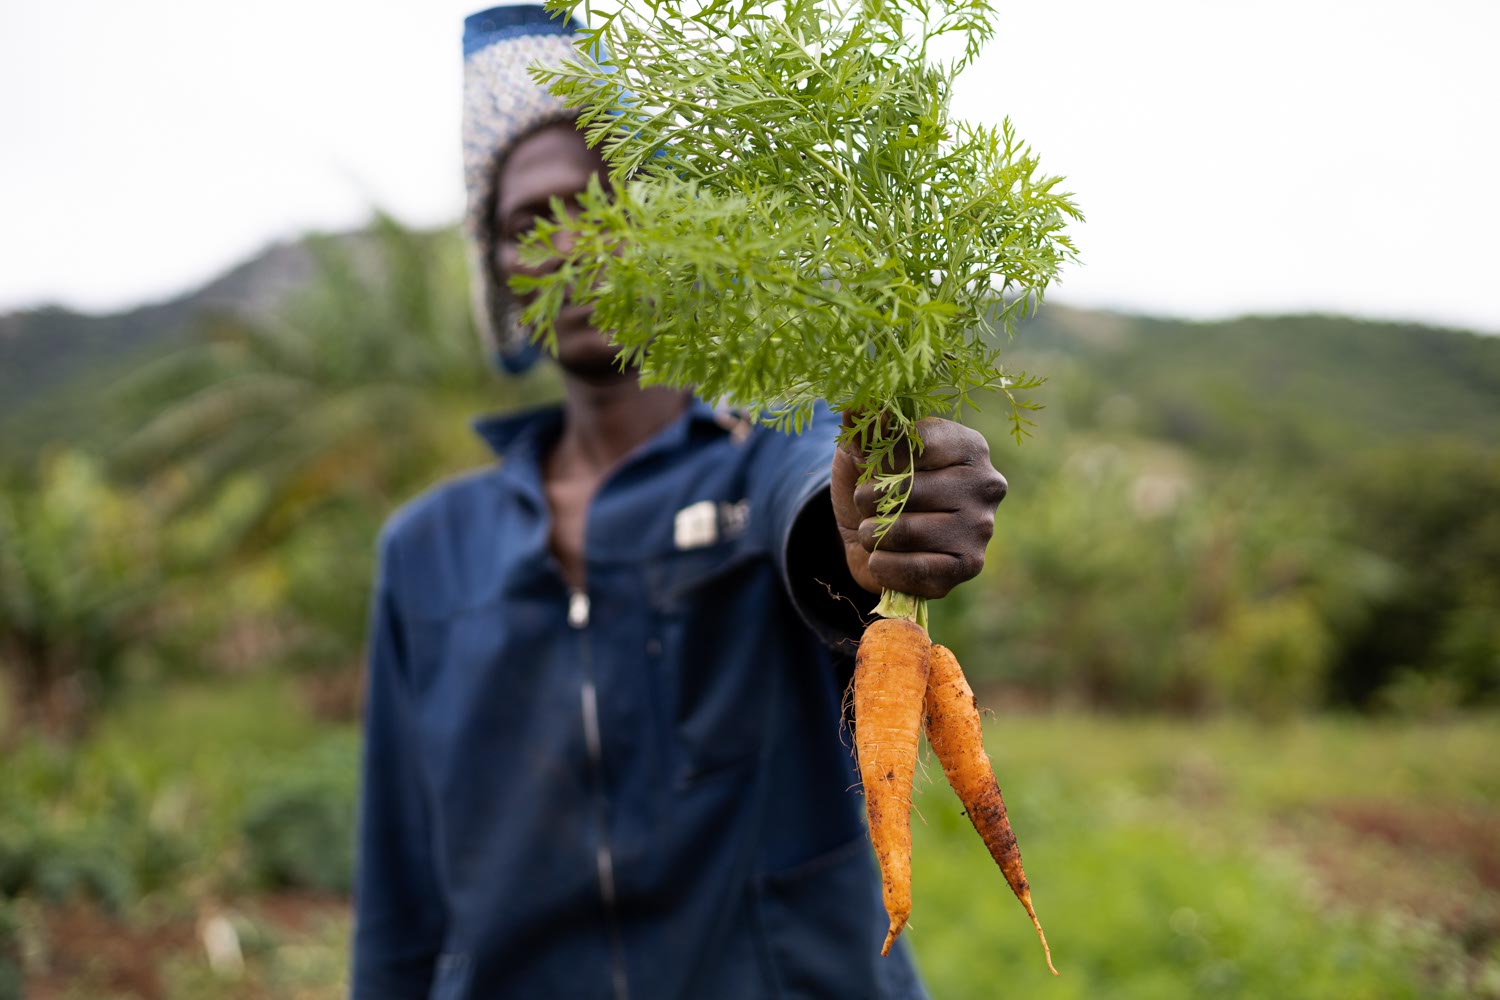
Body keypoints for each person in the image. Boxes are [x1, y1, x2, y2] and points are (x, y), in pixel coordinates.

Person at [351, 6, 1009, 998]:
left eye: (608, 199)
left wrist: (868, 525)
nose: (576, 240)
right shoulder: (428, 550)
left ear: (678, 228)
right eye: (531, 222)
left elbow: (813, 509)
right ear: (498, 267)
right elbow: (400, 895)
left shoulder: (764, 449)